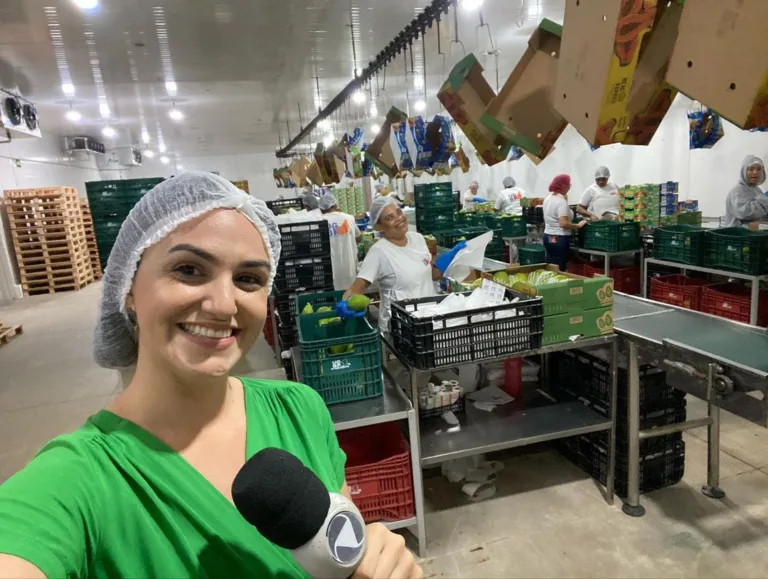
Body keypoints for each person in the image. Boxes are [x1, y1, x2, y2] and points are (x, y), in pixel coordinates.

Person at [0, 173, 421, 579]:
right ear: (128, 288)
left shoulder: (300, 409)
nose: (224, 304)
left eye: (248, 279)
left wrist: (372, 560)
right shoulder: (79, 481)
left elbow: (338, 549)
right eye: (189, 269)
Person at [337, 196, 462, 331]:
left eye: (398, 212)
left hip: (427, 320)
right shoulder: (379, 252)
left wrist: (451, 256)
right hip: (400, 328)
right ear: (378, 227)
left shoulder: (418, 239)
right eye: (389, 218)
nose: (399, 218)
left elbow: (430, 274)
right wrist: (345, 303)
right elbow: (357, 287)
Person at [543, 174, 587, 272]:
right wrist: (578, 226)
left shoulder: (548, 198)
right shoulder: (560, 202)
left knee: (550, 268)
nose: (569, 186)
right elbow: (563, 223)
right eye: (568, 184)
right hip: (560, 238)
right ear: (564, 186)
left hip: (548, 237)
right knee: (560, 269)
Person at [319, 193, 363, 290]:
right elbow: (359, 238)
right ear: (335, 204)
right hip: (349, 267)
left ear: (321, 208)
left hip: (330, 270)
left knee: (334, 296)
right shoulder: (349, 218)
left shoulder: (319, 220)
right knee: (351, 298)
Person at [723, 155, 768, 228]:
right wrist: (763, 200)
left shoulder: (757, 190)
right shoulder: (737, 191)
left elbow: (762, 214)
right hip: (738, 236)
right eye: (751, 169)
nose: (755, 172)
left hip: (753, 235)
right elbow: (746, 213)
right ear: (744, 171)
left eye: (759, 169)